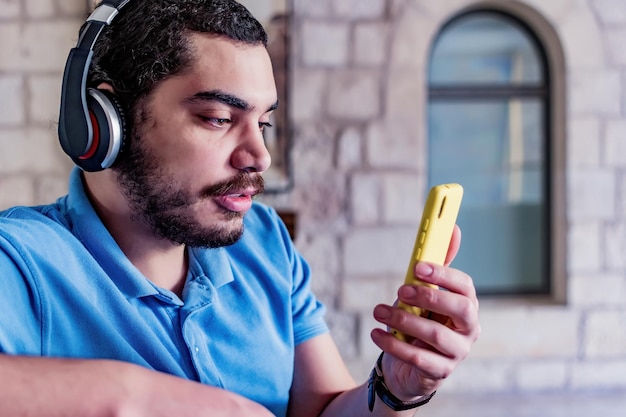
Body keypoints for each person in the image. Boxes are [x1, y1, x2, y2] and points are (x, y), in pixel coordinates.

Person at [0, 0, 481, 416]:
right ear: (101, 124)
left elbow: (322, 411)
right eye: (219, 119)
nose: (259, 156)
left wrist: (394, 387)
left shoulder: (263, 239)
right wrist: (133, 396)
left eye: (264, 124)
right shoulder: (21, 259)